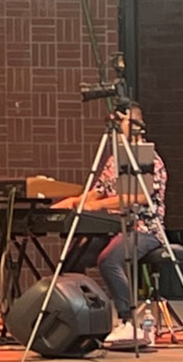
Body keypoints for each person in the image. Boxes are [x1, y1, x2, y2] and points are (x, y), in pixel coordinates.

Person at [55, 103, 167, 345]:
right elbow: (97, 192)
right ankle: (77, 317)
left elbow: (137, 197)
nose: (116, 130)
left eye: (122, 124)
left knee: (109, 259)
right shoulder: (114, 160)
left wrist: (97, 206)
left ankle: (128, 322)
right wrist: (74, 201)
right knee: (75, 257)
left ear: (135, 125)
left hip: (145, 230)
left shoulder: (148, 158)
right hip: (115, 228)